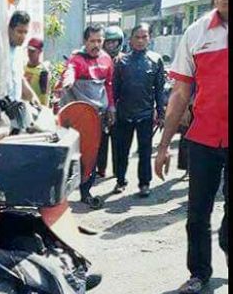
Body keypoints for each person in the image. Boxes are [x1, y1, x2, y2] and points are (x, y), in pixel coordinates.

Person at [154, 0, 228, 294]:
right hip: (203, 139)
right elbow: (180, 93)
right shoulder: (196, 33)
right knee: (197, 213)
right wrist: (163, 145)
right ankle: (199, 273)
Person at [58, 24, 116, 209]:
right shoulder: (77, 59)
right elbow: (70, 70)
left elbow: (109, 85)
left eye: (100, 41)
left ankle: (85, 192)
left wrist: (111, 108)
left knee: (91, 155)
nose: (96, 45)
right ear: (85, 41)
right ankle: (60, 194)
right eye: (92, 41)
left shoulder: (107, 60)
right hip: (76, 118)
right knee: (70, 154)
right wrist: (68, 79)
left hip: (96, 117)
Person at [112, 23, 166, 198]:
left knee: (145, 151)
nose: (141, 40)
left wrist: (162, 113)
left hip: (146, 114)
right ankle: (120, 180)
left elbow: (159, 89)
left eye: (144, 37)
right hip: (124, 114)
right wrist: (112, 111)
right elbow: (115, 91)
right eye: (137, 37)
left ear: (149, 39)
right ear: (131, 39)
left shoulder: (156, 60)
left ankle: (144, 183)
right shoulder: (121, 62)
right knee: (122, 150)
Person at [97, 26, 126, 178]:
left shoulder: (124, 60)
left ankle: (118, 173)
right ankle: (100, 169)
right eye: (108, 43)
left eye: (114, 42)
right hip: (102, 106)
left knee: (118, 142)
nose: (111, 46)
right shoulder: (98, 60)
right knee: (101, 141)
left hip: (119, 108)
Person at [7, 11, 41, 105]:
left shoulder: (18, 52)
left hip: (14, 108)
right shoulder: (1, 51)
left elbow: (19, 78)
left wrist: (32, 96)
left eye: (25, 32)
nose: (23, 36)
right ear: (10, 29)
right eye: (19, 32)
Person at [23, 37, 51, 106]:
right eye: (28, 50)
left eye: (32, 51)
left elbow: (44, 96)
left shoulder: (42, 72)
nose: (29, 53)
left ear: (40, 52)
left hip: (35, 107)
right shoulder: (23, 67)